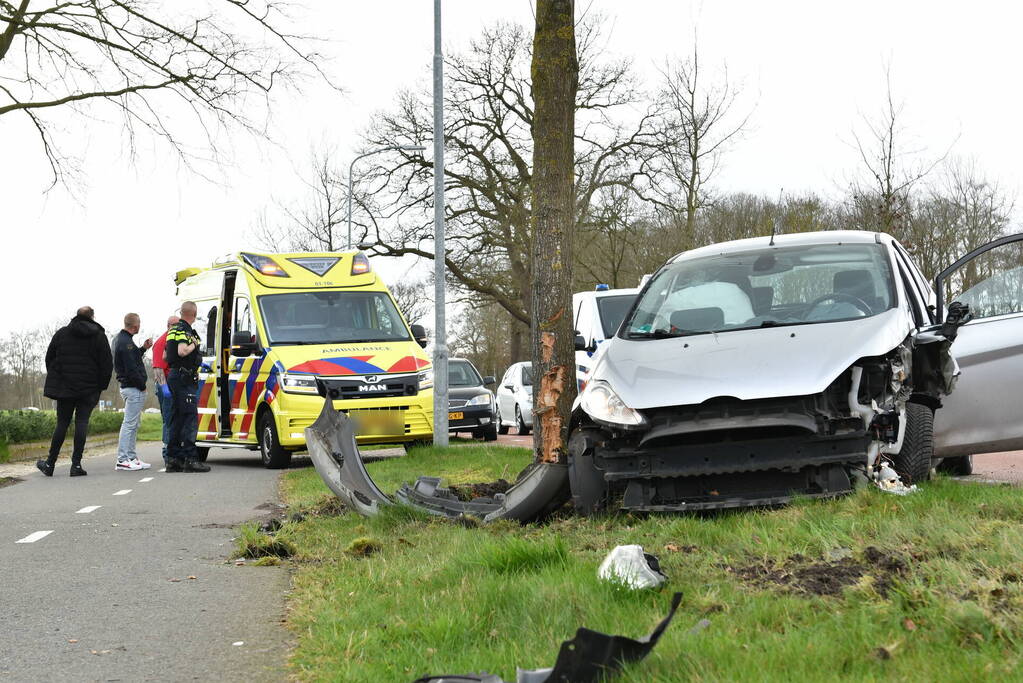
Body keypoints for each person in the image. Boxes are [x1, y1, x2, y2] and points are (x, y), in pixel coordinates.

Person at [37, 306, 113, 477]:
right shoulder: (99, 336)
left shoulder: (62, 333)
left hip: (65, 387)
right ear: (92, 317)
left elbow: (49, 357)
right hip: (89, 388)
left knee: (62, 423)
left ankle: (50, 464)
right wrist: (100, 386)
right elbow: (107, 365)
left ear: (76, 316)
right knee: (82, 423)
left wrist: (58, 377)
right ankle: (76, 465)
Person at [165, 301, 210, 473]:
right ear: (194, 313)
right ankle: (190, 459)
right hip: (185, 378)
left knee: (176, 418)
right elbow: (182, 351)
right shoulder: (184, 330)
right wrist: (195, 344)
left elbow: (165, 354)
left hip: (176, 376)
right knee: (190, 418)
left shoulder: (173, 330)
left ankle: (173, 458)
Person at [112, 313, 153, 471]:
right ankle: (123, 459)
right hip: (133, 387)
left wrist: (143, 348)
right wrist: (141, 385)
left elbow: (132, 358)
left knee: (133, 424)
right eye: (139, 324)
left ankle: (131, 457)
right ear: (135, 326)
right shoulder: (126, 343)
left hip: (128, 387)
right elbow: (131, 368)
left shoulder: (120, 340)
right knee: (129, 424)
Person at [151, 315, 180, 467]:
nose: (177, 327)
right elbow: (158, 369)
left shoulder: (175, 341)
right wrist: (165, 389)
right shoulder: (162, 342)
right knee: (168, 419)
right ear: (168, 326)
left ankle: (174, 452)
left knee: (174, 419)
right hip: (166, 385)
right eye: (175, 325)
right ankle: (168, 454)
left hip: (174, 385)